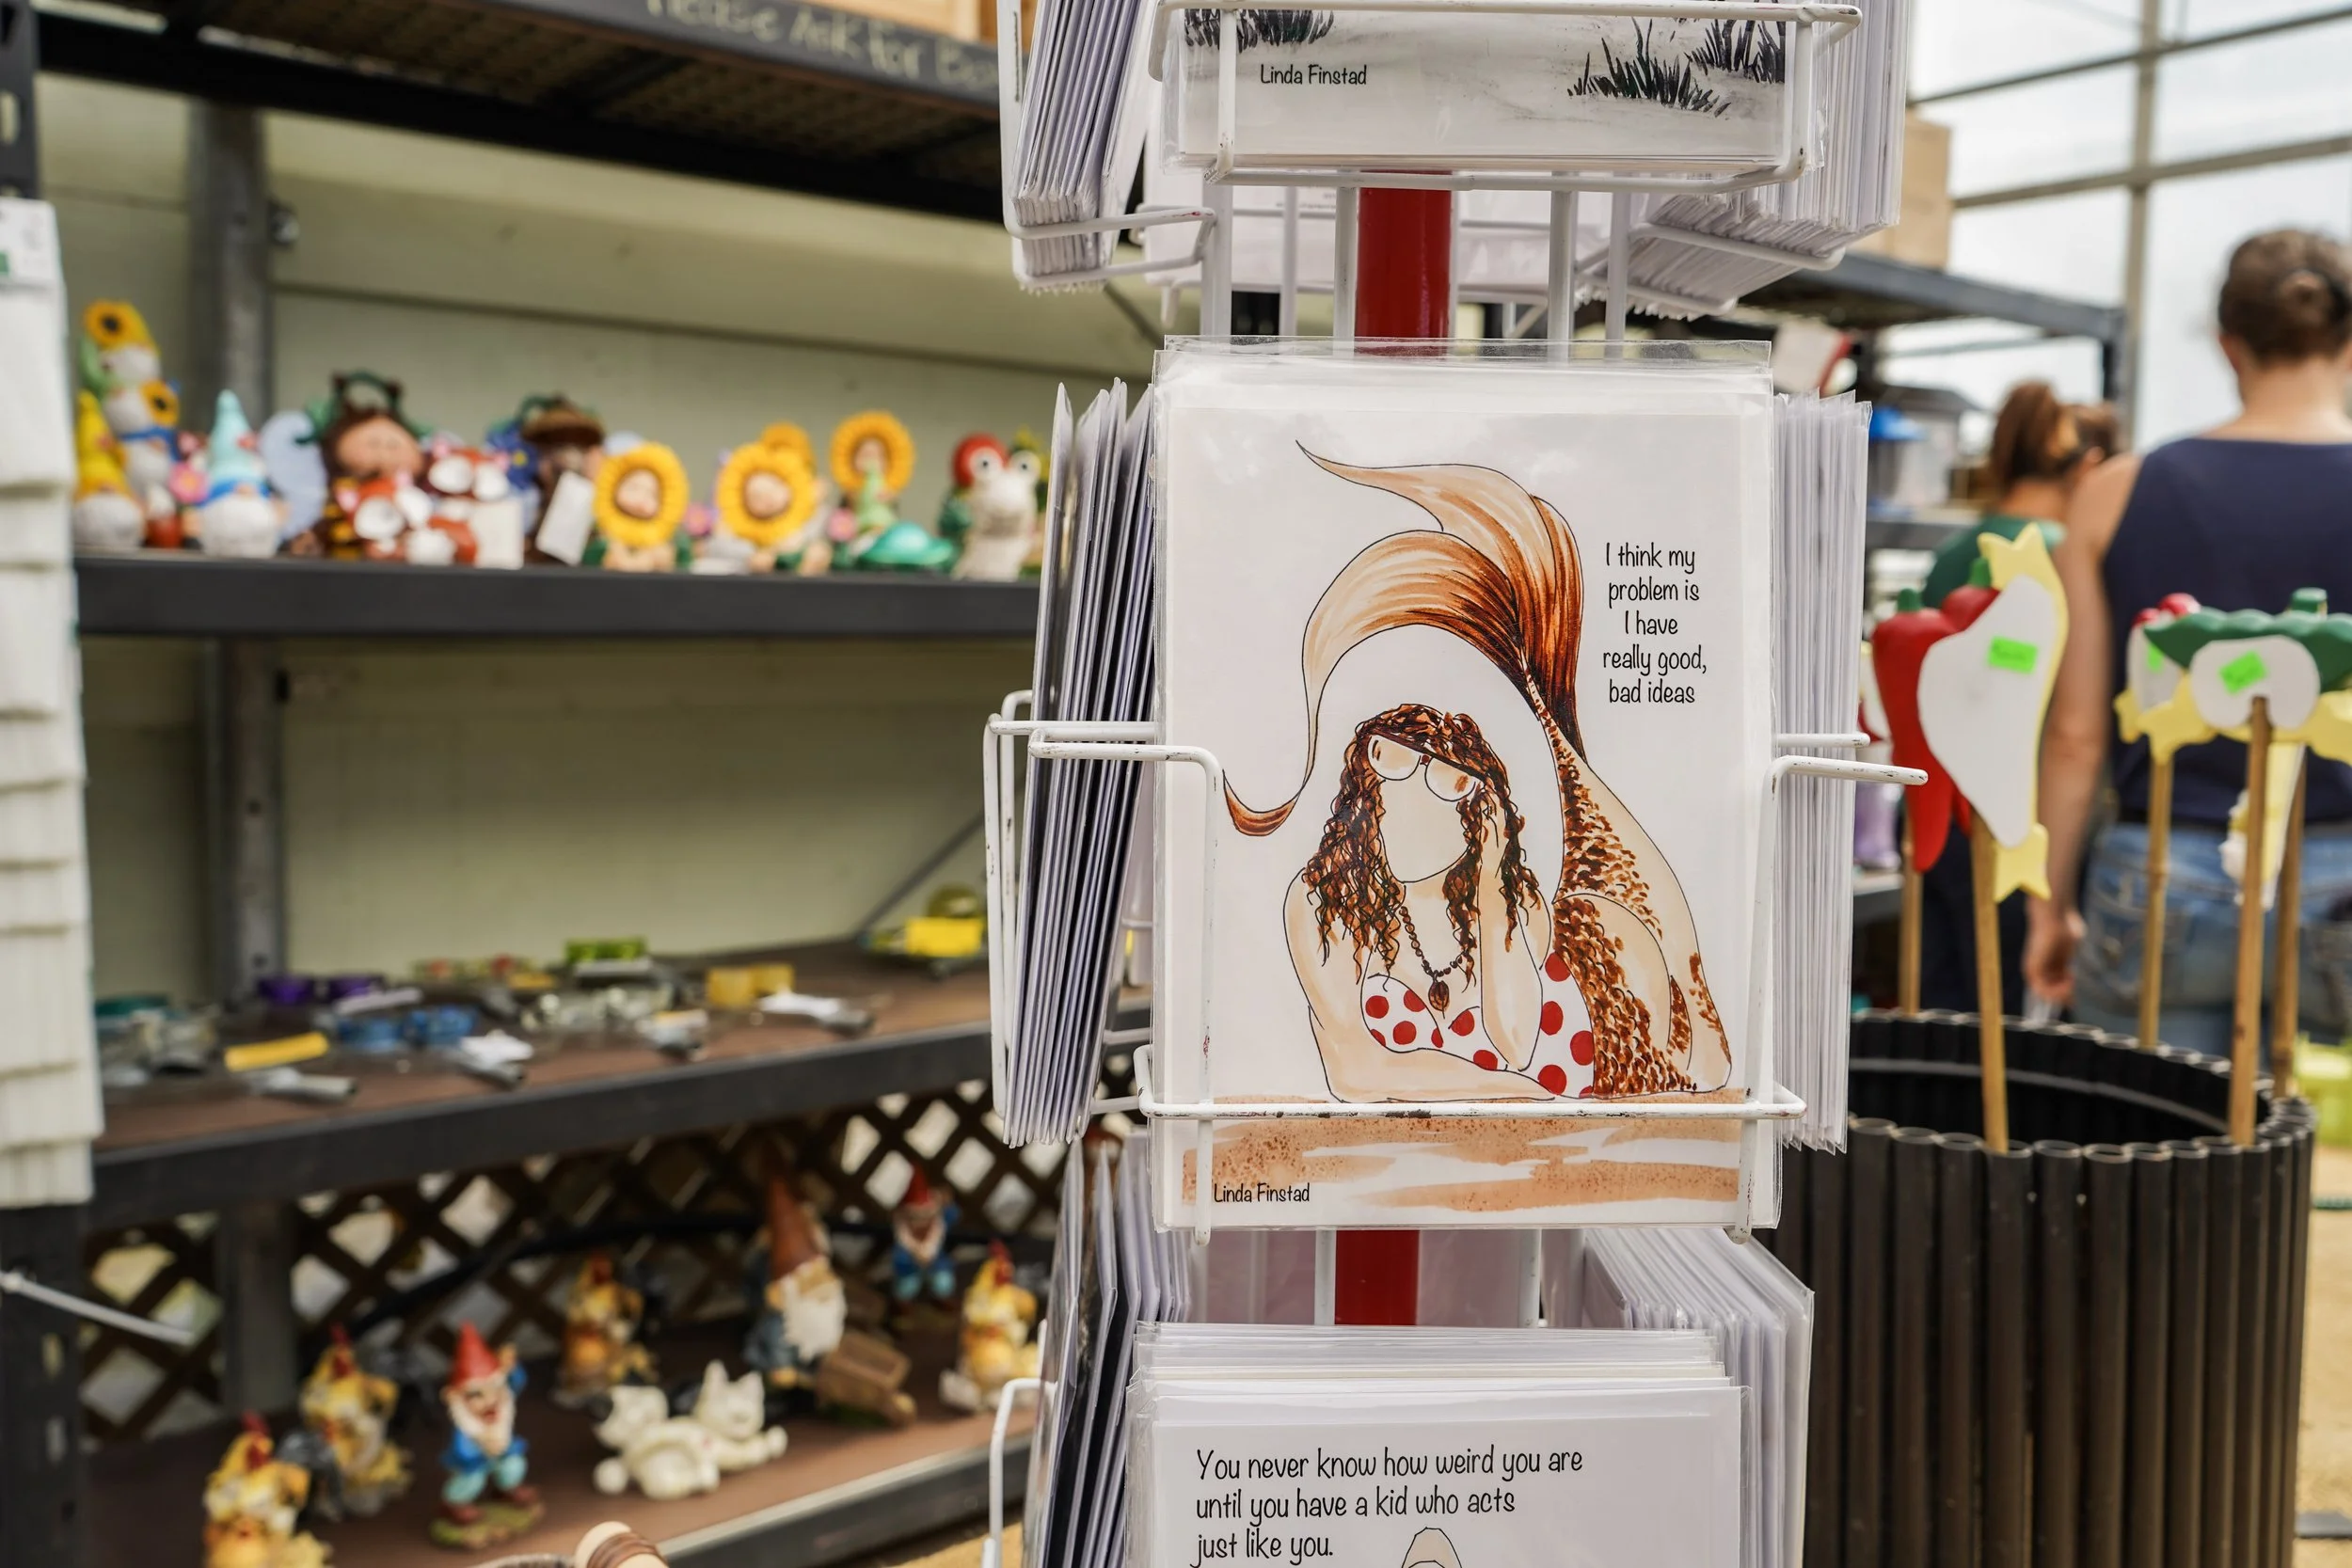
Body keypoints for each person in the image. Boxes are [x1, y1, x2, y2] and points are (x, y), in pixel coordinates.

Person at [2025, 229, 2352, 1054]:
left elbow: (2075, 736)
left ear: (2227, 343)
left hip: (2164, 872)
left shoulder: (2113, 491)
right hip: (2341, 872)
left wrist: (2047, 902)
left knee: (2155, 1159)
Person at [1915, 382, 2119, 1015]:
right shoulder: (2063, 558)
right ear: (2089, 468)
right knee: (2010, 1026)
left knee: (1944, 1011)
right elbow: (2076, 720)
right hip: (2021, 826)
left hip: (1940, 815)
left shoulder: (1956, 552)